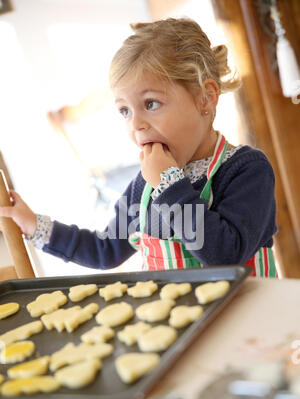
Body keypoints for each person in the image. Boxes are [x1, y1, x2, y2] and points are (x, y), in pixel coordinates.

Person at [0, 18, 278, 277]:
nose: (136, 124)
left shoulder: (247, 170)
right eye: (125, 111)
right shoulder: (143, 187)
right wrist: (36, 226)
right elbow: (104, 250)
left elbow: (224, 256)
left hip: (249, 324)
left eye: (151, 104)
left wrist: (170, 185)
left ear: (205, 98)